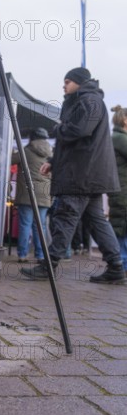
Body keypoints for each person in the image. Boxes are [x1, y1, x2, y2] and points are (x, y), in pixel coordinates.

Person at [21, 67, 125, 284]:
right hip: (88, 174)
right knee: (96, 221)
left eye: (67, 81)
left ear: (79, 82)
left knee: (65, 217)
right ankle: (116, 267)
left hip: (81, 175)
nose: (64, 85)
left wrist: (57, 128)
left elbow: (77, 131)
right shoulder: (88, 101)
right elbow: (75, 136)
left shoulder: (89, 101)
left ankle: (48, 266)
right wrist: (52, 161)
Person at [11, 127, 52, 262]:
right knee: (40, 226)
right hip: (45, 193)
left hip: (27, 195)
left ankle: (22, 254)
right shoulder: (51, 153)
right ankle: (40, 255)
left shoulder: (26, 151)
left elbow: (10, 160)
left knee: (25, 224)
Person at [108, 105, 127, 276]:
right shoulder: (120, 138)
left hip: (119, 190)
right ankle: (121, 264)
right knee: (122, 227)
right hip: (123, 192)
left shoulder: (116, 137)